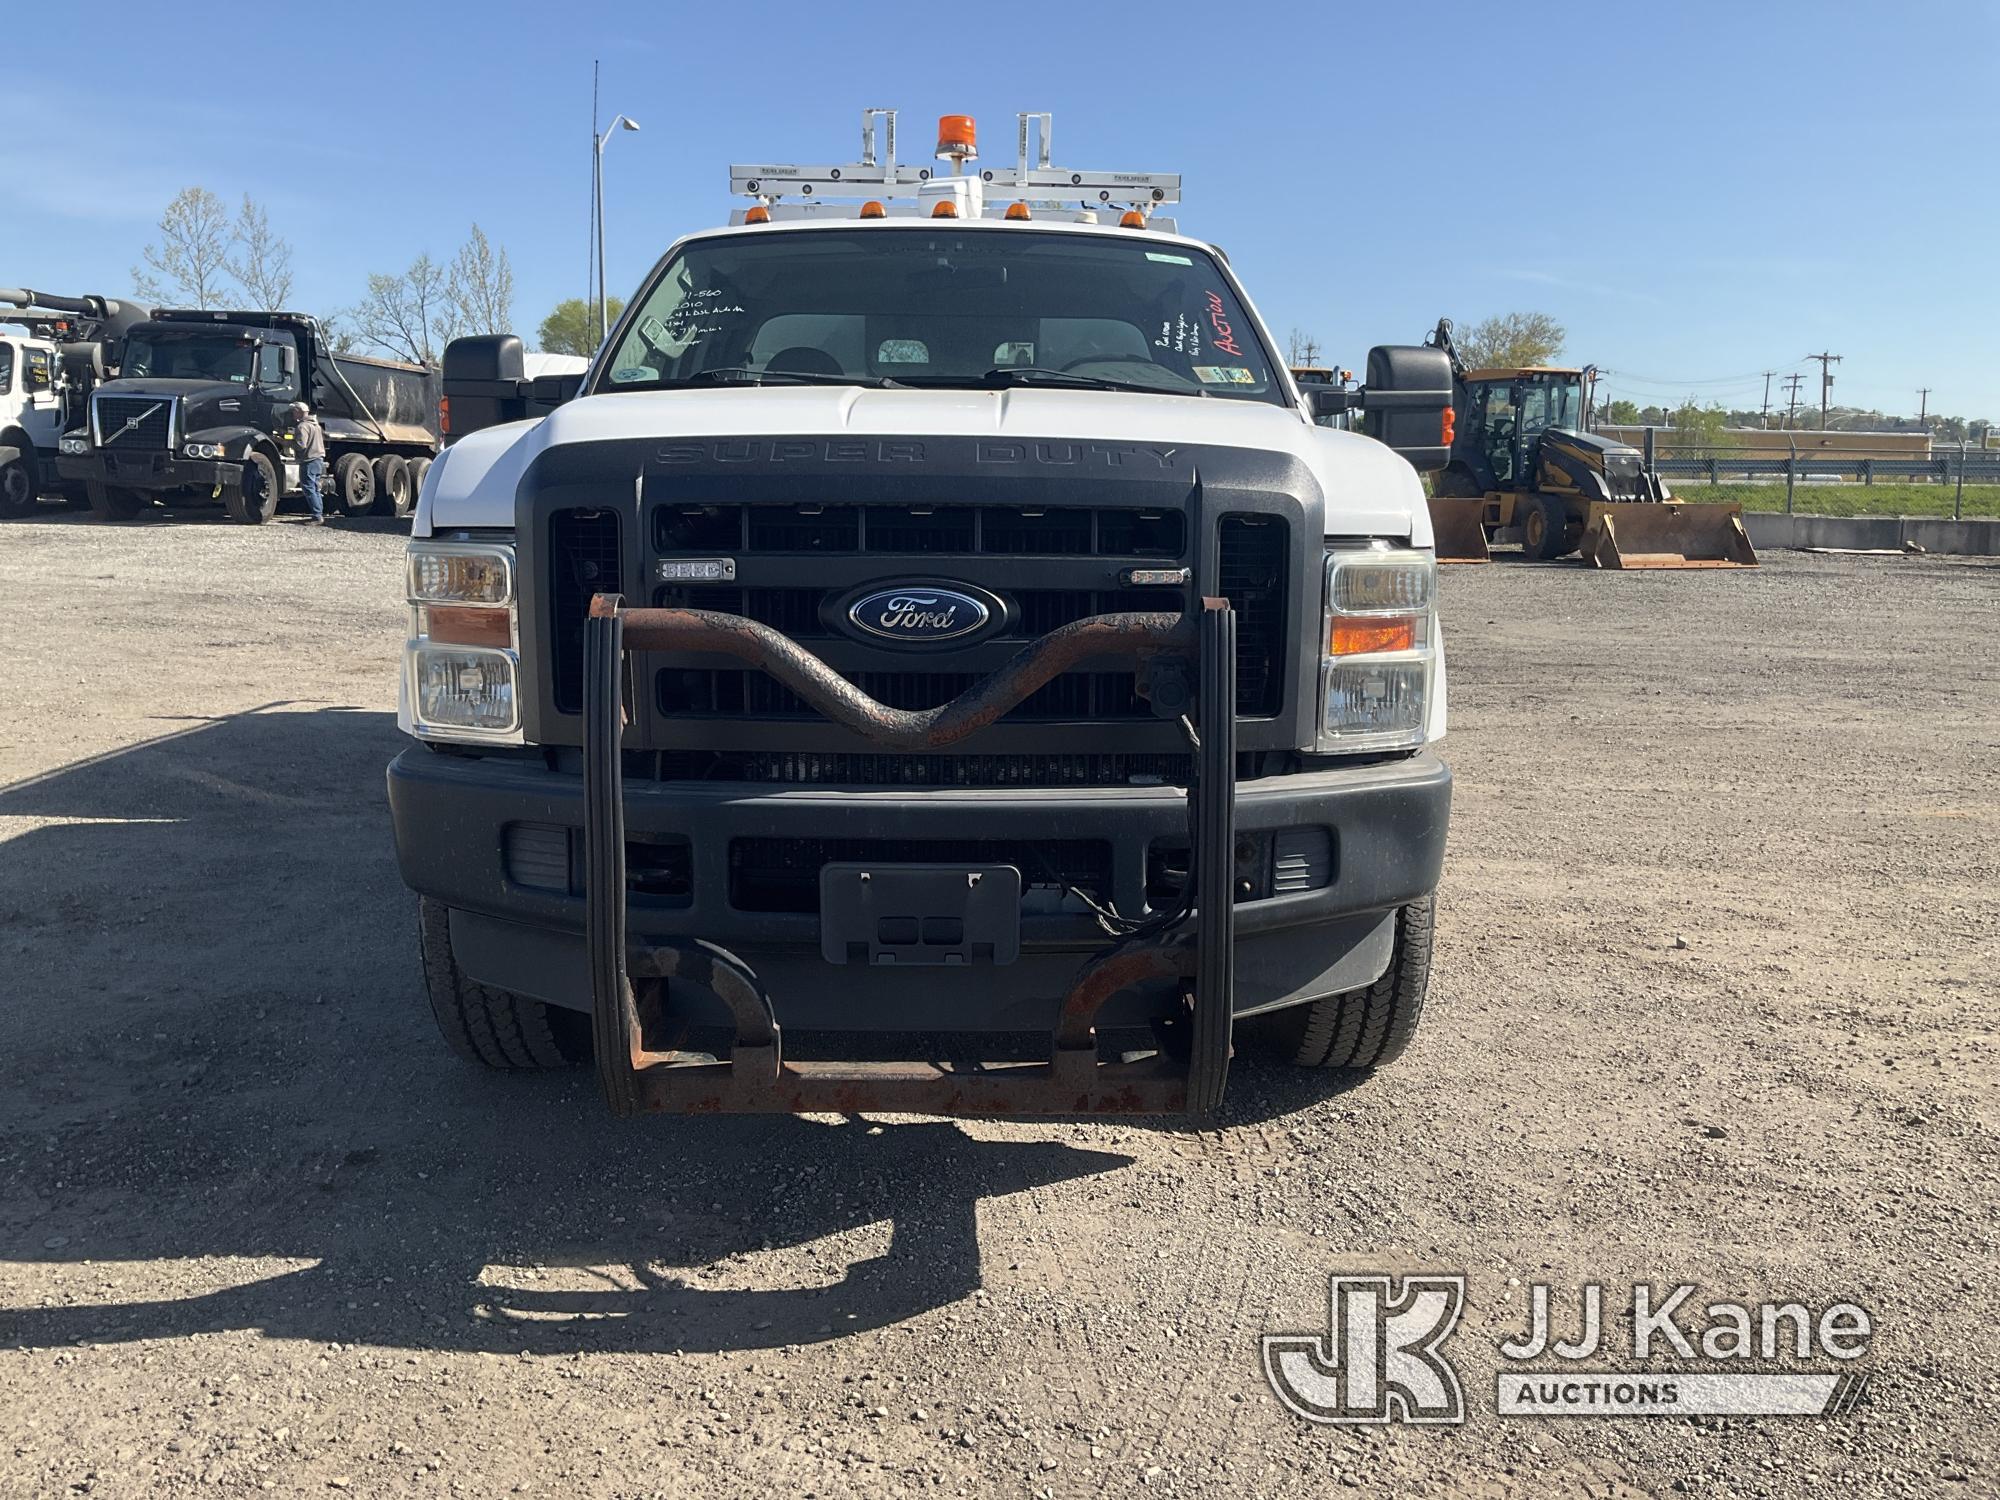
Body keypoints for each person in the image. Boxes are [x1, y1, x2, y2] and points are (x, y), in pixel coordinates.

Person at [292, 401, 328, 524]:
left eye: (294, 411)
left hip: (309, 460)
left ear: (300, 412)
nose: (293, 414)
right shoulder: (316, 425)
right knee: (315, 488)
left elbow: (301, 445)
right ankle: (319, 514)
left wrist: (282, 442)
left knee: (308, 487)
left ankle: (317, 516)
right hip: (318, 459)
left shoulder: (302, 426)